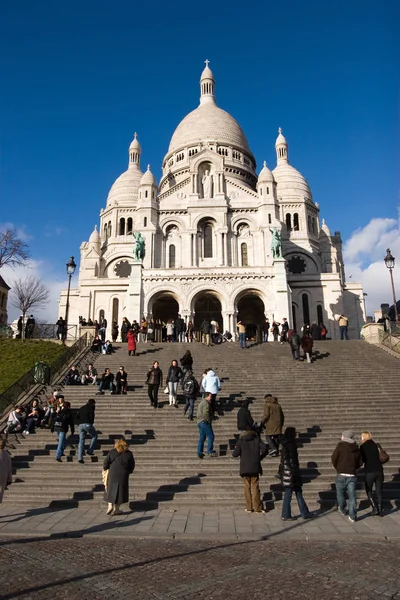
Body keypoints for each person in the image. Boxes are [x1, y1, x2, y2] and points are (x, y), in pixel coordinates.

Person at [279, 427, 312, 520]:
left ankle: (304, 512)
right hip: (292, 472)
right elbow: (292, 460)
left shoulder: (285, 444)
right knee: (290, 493)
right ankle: (285, 514)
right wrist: (294, 472)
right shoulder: (291, 444)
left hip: (287, 472)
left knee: (297, 492)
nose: (296, 435)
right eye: (295, 433)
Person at [232, 427, 267, 513]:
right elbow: (265, 449)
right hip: (255, 466)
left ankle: (249, 507)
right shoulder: (257, 439)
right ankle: (257, 508)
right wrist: (259, 458)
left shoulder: (241, 440)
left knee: (246, 487)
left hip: (245, 467)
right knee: (255, 487)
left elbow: (235, 454)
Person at [331, 429, 363, 522]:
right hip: (352, 475)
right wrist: (354, 467)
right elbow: (360, 462)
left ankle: (342, 508)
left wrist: (338, 467)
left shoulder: (340, 445)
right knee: (352, 496)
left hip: (341, 473)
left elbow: (334, 457)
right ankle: (353, 516)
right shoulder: (356, 448)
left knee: (340, 493)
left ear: (344, 436)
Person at [103, 438, 135, 515]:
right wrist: (129, 471)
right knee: (120, 491)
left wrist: (105, 468)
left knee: (110, 488)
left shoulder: (112, 451)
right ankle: (117, 509)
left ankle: (110, 504)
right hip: (123, 474)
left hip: (113, 473)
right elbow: (132, 465)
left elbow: (106, 461)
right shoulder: (129, 453)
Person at [360, 431, 384, 516]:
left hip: (369, 471)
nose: (361, 438)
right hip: (379, 470)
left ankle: (375, 508)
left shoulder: (363, 447)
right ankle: (381, 510)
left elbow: (362, 459)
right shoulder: (376, 445)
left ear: (365, 437)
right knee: (379, 491)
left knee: (369, 490)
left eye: (362, 436)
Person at [52, 396, 73, 462]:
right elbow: (71, 421)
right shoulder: (68, 411)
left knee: (63, 440)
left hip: (57, 427)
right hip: (63, 428)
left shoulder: (59, 411)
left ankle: (61, 452)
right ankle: (58, 456)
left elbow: (53, 418)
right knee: (61, 442)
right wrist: (72, 429)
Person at [76, 399, 98, 464]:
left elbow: (77, 416)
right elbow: (92, 417)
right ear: (93, 403)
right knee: (94, 436)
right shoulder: (91, 408)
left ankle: (80, 458)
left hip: (80, 425)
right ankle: (90, 450)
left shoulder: (82, 408)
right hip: (87, 424)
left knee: (81, 440)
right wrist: (91, 423)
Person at [197, 393, 216, 458]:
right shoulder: (206, 403)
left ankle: (200, 452)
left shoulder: (202, 402)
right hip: (204, 422)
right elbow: (206, 413)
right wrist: (208, 420)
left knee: (202, 437)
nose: (211, 397)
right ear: (207, 396)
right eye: (210, 396)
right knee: (211, 436)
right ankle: (209, 451)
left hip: (199, 422)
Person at [0, 438, 12, 503]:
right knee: (0, 490)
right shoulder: (7, 454)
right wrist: (9, 479)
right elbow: (9, 467)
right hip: (4, 475)